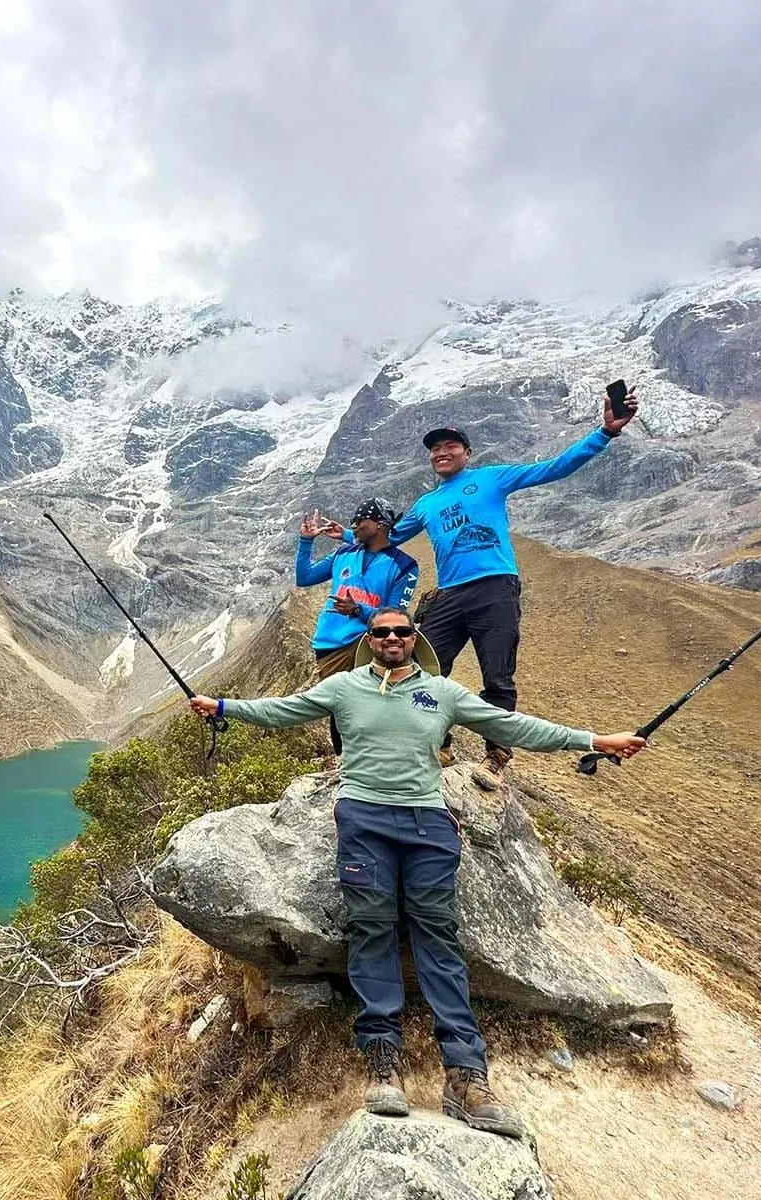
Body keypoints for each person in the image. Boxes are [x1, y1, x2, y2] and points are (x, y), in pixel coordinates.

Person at [188, 608, 645, 1135]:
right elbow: (284, 710)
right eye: (381, 632)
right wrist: (223, 706)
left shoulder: (443, 693)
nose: (391, 638)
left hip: (427, 823)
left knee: (438, 937)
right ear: (370, 640)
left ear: (414, 639)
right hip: (363, 820)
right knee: (372, 929)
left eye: (401, 631)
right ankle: (384, 1062)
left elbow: (512, 725)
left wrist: (595, 741)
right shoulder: (344, 687)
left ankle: (466, 1076)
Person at [392, 389, 638, 788]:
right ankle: (438, 743)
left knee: (498, 677)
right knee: (424, 668)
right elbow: (385, 538)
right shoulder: (425, 504)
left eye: (450, 446)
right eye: (435, 449)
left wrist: (605, 433)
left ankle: (496, 754)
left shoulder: (491, 478)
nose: (441, 453)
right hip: (449, 594)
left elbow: (554, 468)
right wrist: (342, 537)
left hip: (495, 588)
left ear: (467, 453)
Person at [294, 498, 420, 753]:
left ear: (380, 524)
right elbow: (304, 577)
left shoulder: (405, 565)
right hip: (330, 643)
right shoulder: (343, 553)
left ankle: (380, 757)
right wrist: (306, 541)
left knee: (372, 704)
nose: (354, 525)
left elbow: (395, 617)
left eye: (360, 520)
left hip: (368, 644)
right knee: (339, 707)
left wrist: (357, 610)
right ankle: (345, 760)